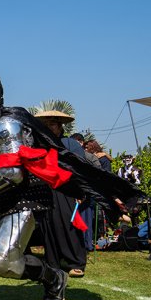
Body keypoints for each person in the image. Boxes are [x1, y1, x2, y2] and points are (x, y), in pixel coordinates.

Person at [0, 73, 140, 300]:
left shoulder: (6, 126)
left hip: (23, 197)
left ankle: (53, 278)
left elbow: (13, 174)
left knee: (1, 262)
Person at [35, 113, 89, 277]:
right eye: (46, 124)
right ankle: (53, 261)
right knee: (48, 224)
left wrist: (80, 190)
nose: (49, 127)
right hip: (46, 189)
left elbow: (80, 168)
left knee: (69, 223)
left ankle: (76, 262)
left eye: (52, 124)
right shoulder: (40, 144)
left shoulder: (70, 144)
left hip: (67, 189)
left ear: (59, 126)